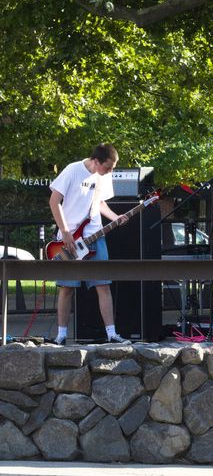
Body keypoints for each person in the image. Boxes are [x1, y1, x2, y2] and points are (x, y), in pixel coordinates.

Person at [49, 143, 130, 345]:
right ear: (96, 161)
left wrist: (114, 217)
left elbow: (100, 203)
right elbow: (54, 201)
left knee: (103, 284)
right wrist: (66, 232)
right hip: (71, 239)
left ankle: (112, 334)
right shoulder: (72, 170)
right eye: (108, 167)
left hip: (95, 235)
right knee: (67, 288)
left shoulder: (103, 177)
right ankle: (61, 336)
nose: (111, 172)